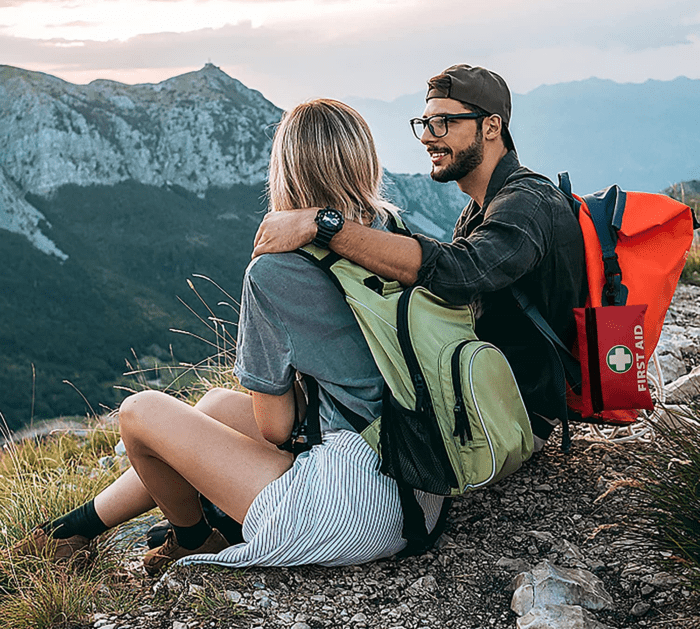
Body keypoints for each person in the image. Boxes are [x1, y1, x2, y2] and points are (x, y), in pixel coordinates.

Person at [9, 99, 445, 574]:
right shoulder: (392, 234)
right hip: (421, 481)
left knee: (139, 413)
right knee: (214, 405)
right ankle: (71, 531)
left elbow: (275, 428)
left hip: (355, 506)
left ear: (287, 169)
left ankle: (191, 538)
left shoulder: (276, 270)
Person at [254, 65, 588, 448]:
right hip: (485, 400)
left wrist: (323, 224)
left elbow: (462, 274)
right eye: (425, 123)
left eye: (444, 122)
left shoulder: (527, 203)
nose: (428, 137)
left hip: (512, 416)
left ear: (492, 127)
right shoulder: (483, 208)